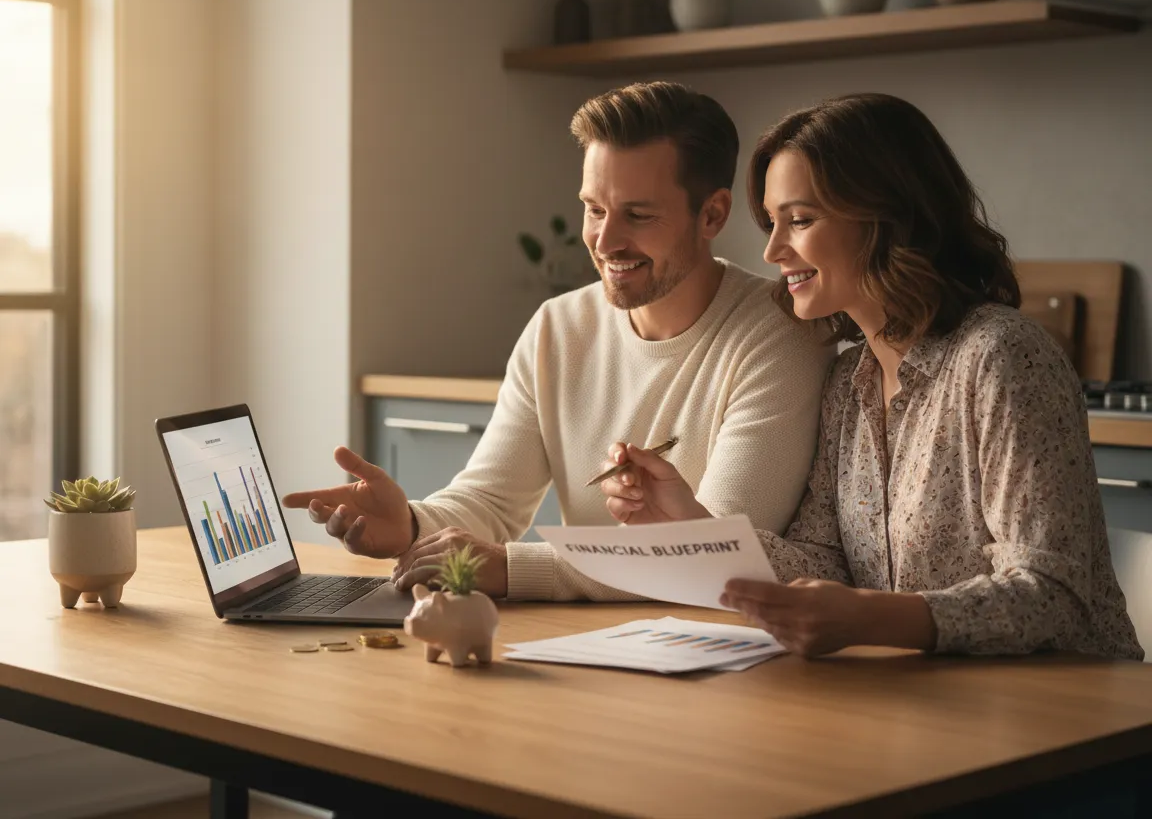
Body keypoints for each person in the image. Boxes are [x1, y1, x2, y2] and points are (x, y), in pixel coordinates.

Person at [599, 92, 1144, 660]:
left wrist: (867, 617)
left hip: (1075, 719)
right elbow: (822, 557)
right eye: (772, 222)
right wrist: (689, 524)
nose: (772, 250)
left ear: (885, 217)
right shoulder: (846, 380)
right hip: (929, 707)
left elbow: (1052, 596)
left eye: (800, 220)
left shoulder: (1003, 357)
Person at [282, 81, 833, 601]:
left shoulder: (780, 332)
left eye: (638, 215)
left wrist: (516, 568)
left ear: (711, 214)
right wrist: (408, 524)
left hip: (720, 659)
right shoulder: (558, 327)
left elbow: (712, 551)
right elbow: (492, 500)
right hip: (596, 652)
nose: (605, 240)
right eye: (594, 209)